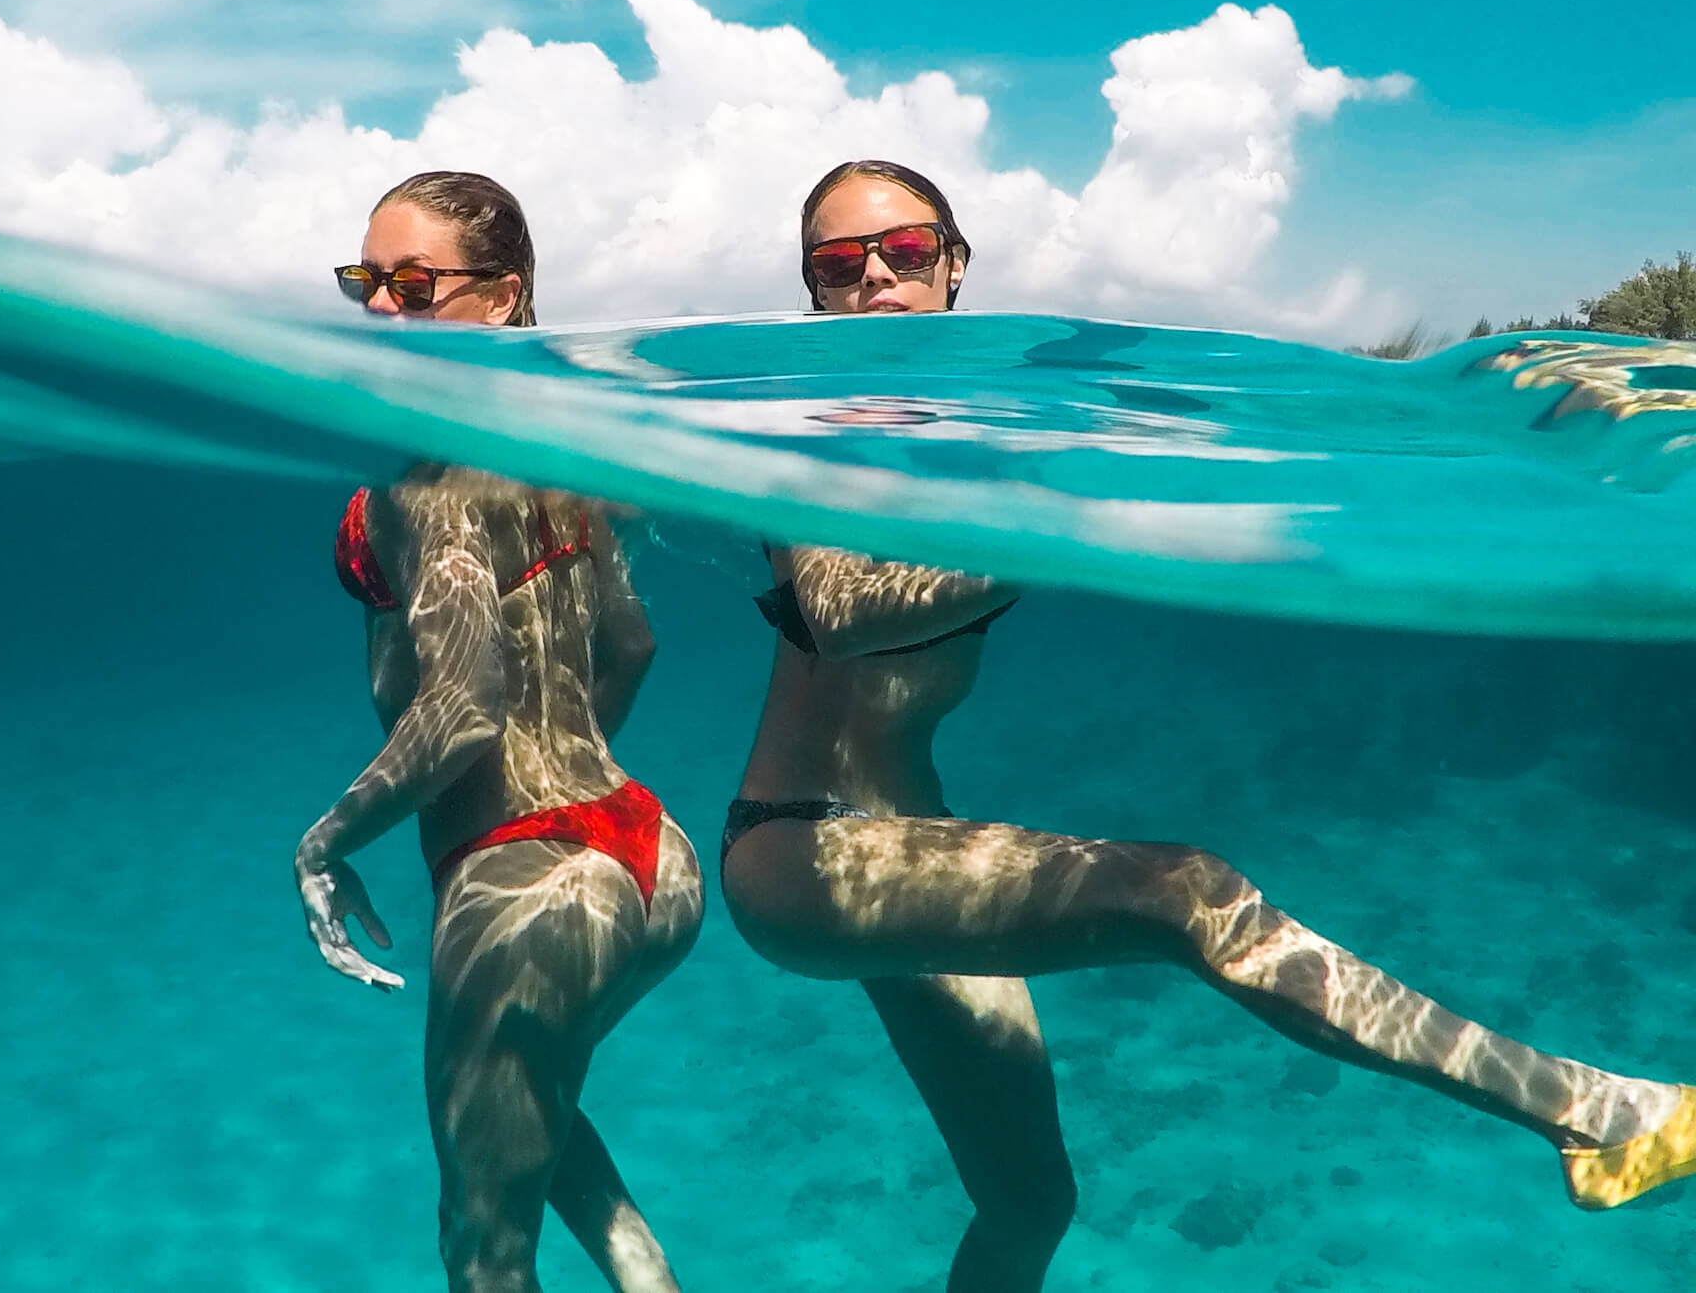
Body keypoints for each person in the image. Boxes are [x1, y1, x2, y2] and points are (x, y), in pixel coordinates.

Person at [720, 159, 1696, 1290]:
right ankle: (1592, 1115)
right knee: (1188, 891)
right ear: (810, 292)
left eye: (903, 250)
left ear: (953, 262)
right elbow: (841, 614)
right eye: (839, 265)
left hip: (908, 837)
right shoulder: (802, 423)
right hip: (799, 846)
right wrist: (1067, 516)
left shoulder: (985, 424)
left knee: (1030, 1201)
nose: (875, 282)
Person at [295, 171, 704, 1293]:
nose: (381, 308)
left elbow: (463, 706)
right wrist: (572, 795)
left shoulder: (431, 481)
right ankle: (644, 1274)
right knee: (541, 1123)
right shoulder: (556, 457)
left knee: (479, 1247)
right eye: (364, 281)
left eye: (415, 284)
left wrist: (324, 845)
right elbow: (632, 647)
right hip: (648, 857)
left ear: (499, 299)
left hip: (517, 881)